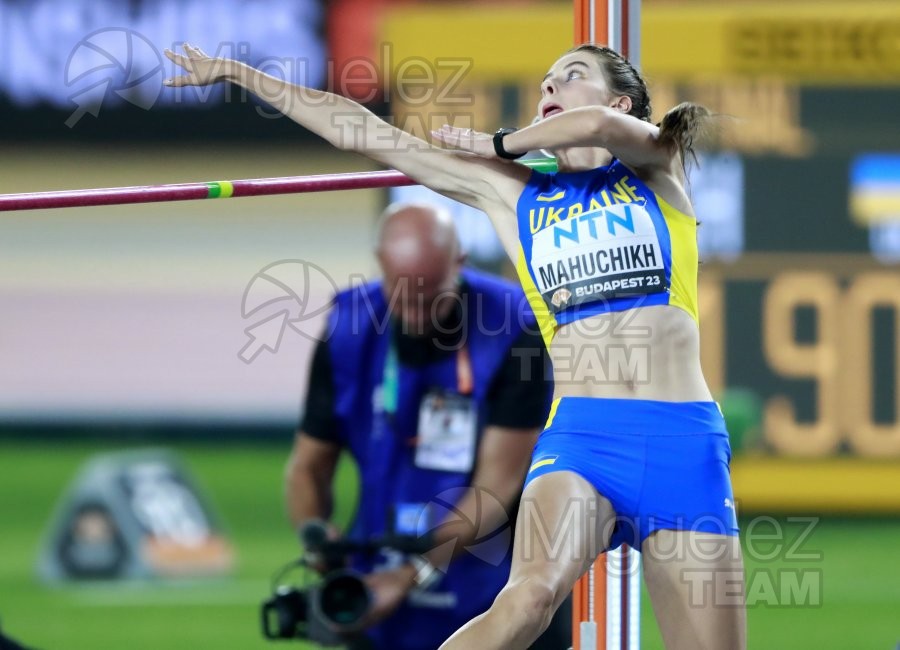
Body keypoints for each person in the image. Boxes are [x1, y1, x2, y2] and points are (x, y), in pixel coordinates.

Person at [164, 41, 746, 649]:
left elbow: (600, 128)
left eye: (570, 78)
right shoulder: (513, 195)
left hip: (683, 443)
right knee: (528, 599)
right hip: (583, 440)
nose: (550, 90)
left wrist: (500, 142)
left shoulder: (657, 167)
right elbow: (357, 130)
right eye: (544, 83)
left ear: (622, 99)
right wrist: (237, 73)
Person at [283, 202, 566, 650]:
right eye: (403, 294)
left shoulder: (516, 329)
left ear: (460, 263)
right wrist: (318, 543)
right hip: (375, 584)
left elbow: (496, 487)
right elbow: (307, 467)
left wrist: (414, 572)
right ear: (379, 266)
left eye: (431, 295)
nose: (416, 310)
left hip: (492, 590)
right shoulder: (346, 329)